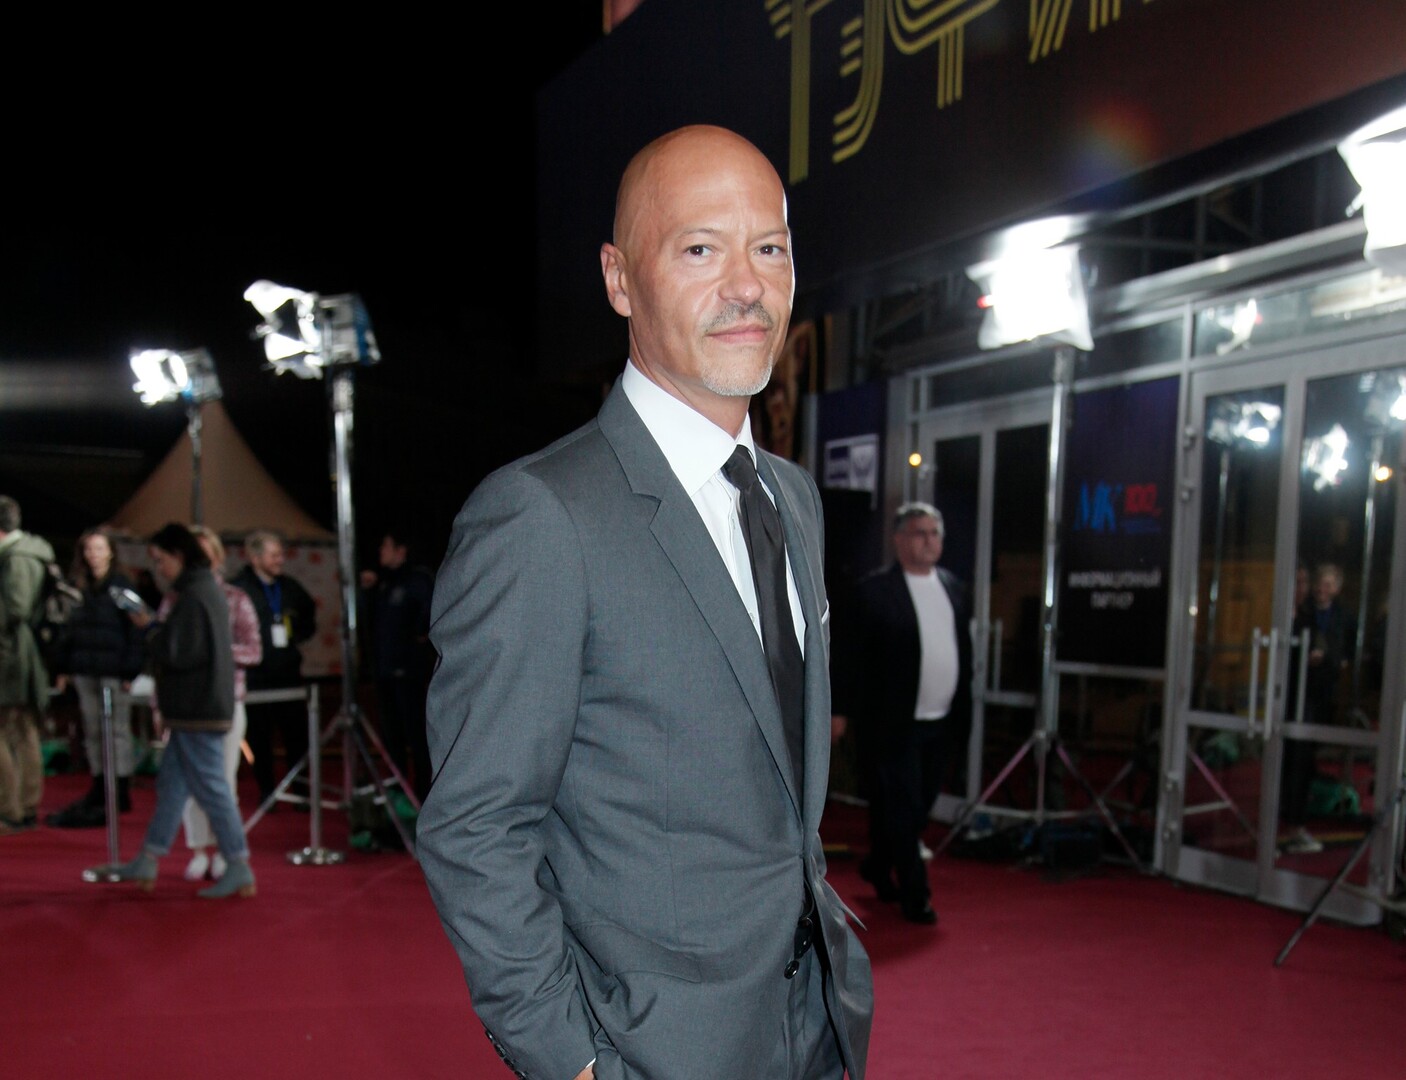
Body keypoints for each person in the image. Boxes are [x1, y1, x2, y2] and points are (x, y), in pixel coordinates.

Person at [417, 125, 872, 1080]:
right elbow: (475, 828)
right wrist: (572, 1062)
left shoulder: (793, 499)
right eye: (700, 249)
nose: (746, 285)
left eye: (770, 248)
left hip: (812, 1025)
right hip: (649, 1048)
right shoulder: (541, 516)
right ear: (620, 279)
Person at [85, 522, 255, 899]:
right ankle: (149, 857)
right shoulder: (202, 591)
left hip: (197, 708)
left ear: (178, 556)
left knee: (212, 789)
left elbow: (180, 653)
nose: (158, 568)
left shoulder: (195, 595)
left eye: (161, 559)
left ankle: (238, 864)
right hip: (197, 707)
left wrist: (150, 629)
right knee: (174, 787)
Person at [831, 502, 973, 925]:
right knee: (903, 807)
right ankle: (916, 894)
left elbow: (962, 651)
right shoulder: (873, 592)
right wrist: (840, 710)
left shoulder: (954, 588)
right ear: (898, 539)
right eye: (919, 533)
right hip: (892, 722)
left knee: (917, 804)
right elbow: (850, 657)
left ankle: (878, 864)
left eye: (934, 533)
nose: (929, 541)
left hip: (940, 719)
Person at [45, 526, 146, 828]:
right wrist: (63, 667)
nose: (94, 555)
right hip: (85, 668)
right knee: (93, 730)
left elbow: (138, 627)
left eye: (99, 548)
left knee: (117, 730)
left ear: (111, 552)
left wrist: (131, 669)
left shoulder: (122, 586)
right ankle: (100, 783)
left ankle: (120, 786)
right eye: (89, 549)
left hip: (114, 669)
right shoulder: (77, 587)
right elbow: (67, 630)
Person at [176, 527, 262, 881]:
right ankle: (199, 849)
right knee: (189, 784)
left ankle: (228, 851)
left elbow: (254, 650)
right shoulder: (177, 599)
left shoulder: (236, 598)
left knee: (224, 782)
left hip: (225, 702)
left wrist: (216, 652)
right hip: (185, 706)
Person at [231, 528, 316, 806]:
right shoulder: (239, 589)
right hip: (256, 677)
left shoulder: (290, 587)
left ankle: (301, 790)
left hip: (288, 673)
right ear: (255, 558)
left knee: (297, 736)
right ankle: (267, 791)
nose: (280, 560)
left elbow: (309, 616)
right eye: (274, 555)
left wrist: (297, 636)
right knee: (259, 737)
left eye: (281, 554)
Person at [359, 531, 434, 803]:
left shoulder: (418, 580)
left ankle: (424, 795)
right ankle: (397, 794)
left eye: (386, 546)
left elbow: (428, 615)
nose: (381, 550)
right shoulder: (383, 582)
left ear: (401, 550)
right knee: (391, 737)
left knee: (416, 735)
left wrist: (419, 637)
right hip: (384, 671)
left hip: (410, 673)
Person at [1280, 561, 1349, 855]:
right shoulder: (1293, 615)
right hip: (1288, 698)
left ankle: (1294, 824)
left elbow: (1334, 652)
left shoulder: (1323, 617)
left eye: (1305, 583)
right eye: (1300, 583)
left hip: (1312, 698)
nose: (1309, 589)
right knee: (1291, 761)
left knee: (1302, 762)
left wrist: (1327, 658)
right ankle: (1287, 824)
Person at [0, 496, 54, 835]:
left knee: (13, 731)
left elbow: (16, 607)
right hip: (21, 654)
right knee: (23, 731)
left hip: (10, 655)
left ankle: (11, 809)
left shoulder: (16, 558)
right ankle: (24, 806)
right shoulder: (30, 553)